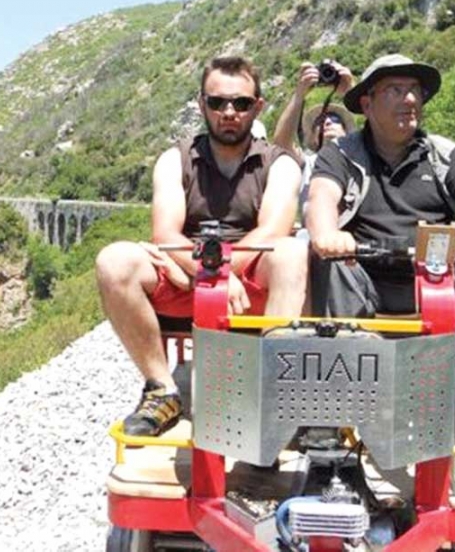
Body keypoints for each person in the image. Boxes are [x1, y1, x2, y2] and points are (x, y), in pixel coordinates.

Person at [305, 53, 455, 447]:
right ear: (367, 103)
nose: (410, 99)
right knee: (327, 262)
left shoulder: (442, 152)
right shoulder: (341, 153)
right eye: (395, 90)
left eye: (415, 90)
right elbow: (321, 197)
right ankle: (332, 411)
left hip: (436, 280)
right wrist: (327, 233)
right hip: (361, 281)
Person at [95, 56, 307, 437]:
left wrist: (214, 274)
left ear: (258, 107)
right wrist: (208, 275)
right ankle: (162, 389)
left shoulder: (280, 165)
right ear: (201, 105)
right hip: (189, 276)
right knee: (114, 261)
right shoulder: (174, 160)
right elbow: (166, 233)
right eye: (217, 102)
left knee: (291, 253)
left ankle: (271, 394)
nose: (229, 112)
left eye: (241, 103)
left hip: (242, 282)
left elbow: (271, 233)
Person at [271, 60, 357, 205]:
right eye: (320, 121)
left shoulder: (361, 158)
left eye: (335, 119)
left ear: (346, 130)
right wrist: (299, 94)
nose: (327, 122)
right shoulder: (308, 163)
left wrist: (351, 90)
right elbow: (281, 143)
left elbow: (381, 127)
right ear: (314, 137)